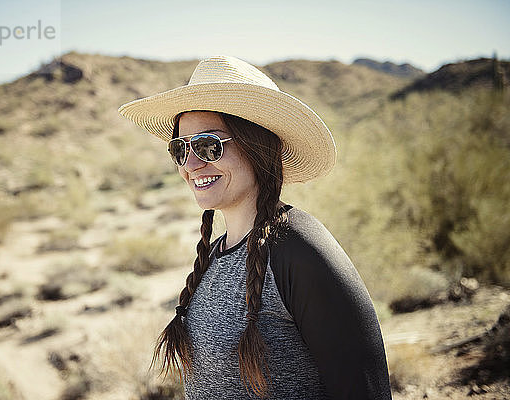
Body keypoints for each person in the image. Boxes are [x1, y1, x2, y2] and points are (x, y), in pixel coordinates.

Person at [119, 55, 391, 399]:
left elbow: (365, 391)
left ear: (256, 145)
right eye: (180, 149)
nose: (191, 164)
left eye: (208, 145)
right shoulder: (214, 254)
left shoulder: (299, 249)